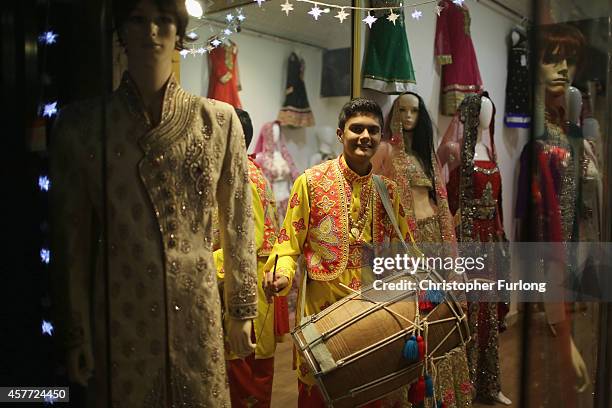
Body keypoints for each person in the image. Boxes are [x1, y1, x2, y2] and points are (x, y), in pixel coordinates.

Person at [49, 0, 256, 406]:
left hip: (197, 308)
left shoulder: (217, 121)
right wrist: (76, 331)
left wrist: (241, 308)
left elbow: (238, 219)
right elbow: (69, 240)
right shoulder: (84, 127)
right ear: (121, 32)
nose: (152, 32)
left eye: (163, 20)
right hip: (120, 309)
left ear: (179, 31)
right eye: (138, 20)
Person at [262, 98, 416, 407]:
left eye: (373, 130)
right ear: (339, 134)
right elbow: (288, 244)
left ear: (381, 137)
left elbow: (407, 250)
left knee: (368, 395)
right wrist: (281, 274)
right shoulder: (310, 182)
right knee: (319, 395)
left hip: (373, 316)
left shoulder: (388, 191)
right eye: (356, 128)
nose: (365, 136)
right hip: (322, 314)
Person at [376, 92, 473, 408]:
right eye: (401, 110)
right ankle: (411, 395)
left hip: (435, 239)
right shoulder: (385, 151)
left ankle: (440, 398)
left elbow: (439, 201)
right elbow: (376, 202)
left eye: (413, 111)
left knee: (439, 316)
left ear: (421, 116)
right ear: (393, 114)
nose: (406, 116)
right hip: (407, 245)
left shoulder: (424, 155)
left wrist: (450, 251)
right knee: (412, 317)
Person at [213, 108, 285, 408]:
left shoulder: (239, 177)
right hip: (252, 282)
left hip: (243, 284)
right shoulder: (247, 171)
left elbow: (247, 242)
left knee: (243, 377)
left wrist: (203, 260)